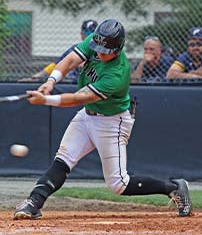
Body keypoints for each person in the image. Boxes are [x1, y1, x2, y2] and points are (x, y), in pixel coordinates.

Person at [13, 19, 192, 220]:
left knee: (118, 184)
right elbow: (70, 60)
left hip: (112, 122)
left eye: (105, 51)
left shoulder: (118, 73)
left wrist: (45, 99)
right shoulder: (97, 42)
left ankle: (174, 188)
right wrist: (50, 81)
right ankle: (33, 202)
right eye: (97, 48)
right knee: (63, 159)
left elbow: (79, 97)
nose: (99, 53)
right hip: (87, 116)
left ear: (117, 48)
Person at [19, 19, 98, 82]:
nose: (88, 38)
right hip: (72, 83)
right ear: (81, 34)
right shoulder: (75, 49)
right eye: (86, 34)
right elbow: (57, 64)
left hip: (93, 84)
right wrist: (36, 77)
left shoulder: (102, 51)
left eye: (91, 34)